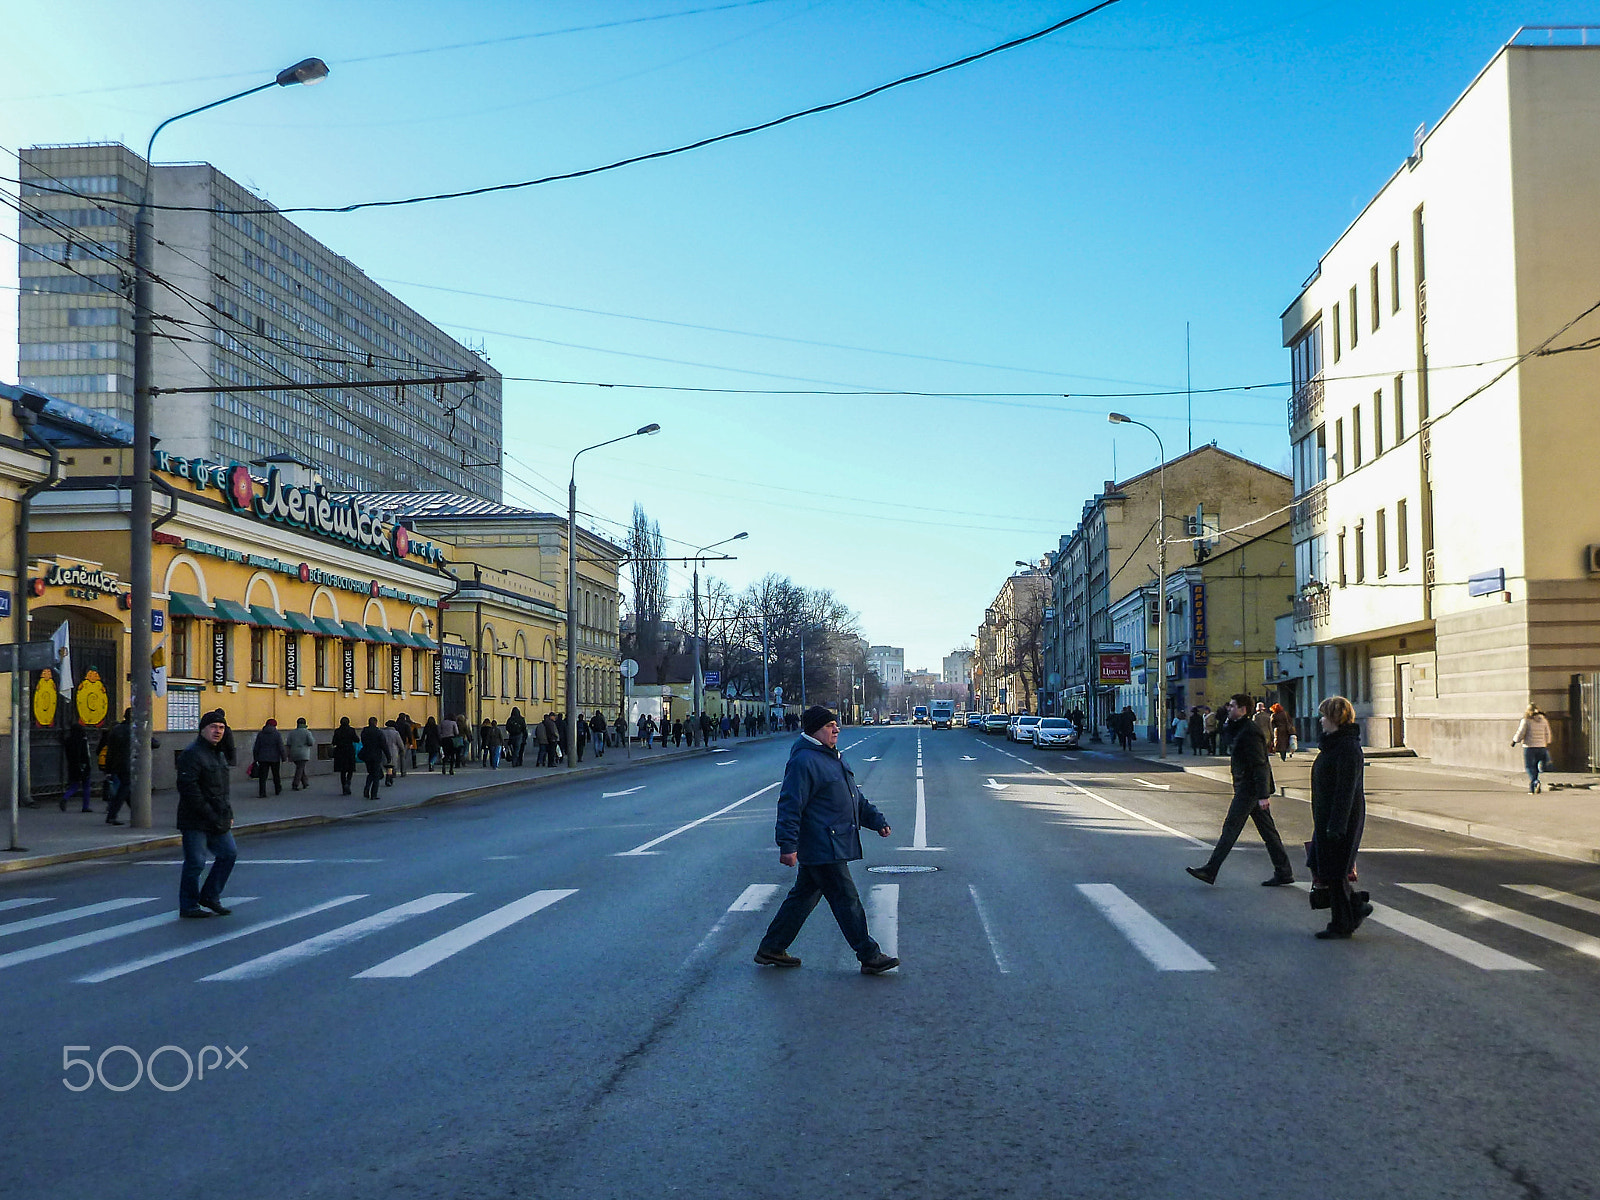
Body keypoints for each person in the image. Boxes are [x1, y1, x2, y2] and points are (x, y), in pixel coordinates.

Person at [754, 706, 899, 976]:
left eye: (836, 725)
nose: (836, 730)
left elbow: (854, 797)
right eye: (830, 725)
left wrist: (876, 820)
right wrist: (788, 845)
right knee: (847, 900)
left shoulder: (830, 757)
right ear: (814, 730)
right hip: (822, 844)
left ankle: (772, 947)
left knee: (803, 897)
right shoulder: (805, 761)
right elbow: (790, 804)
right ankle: (869, 955)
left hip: (828, 842)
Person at [1186, 693, 1295, 887]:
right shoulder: (1239, 727)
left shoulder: (1250, 732)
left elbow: (1260, 764)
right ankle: (1284, 871)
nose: (1229, 708)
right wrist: (1228, 720)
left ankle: (1211, 870)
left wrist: (1263, 795)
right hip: (1247, 786)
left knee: (1230, 828)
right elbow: (1228, 738)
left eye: (1233, 706)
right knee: (1268, 832)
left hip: (1250, 788)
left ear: (1243, 709)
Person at [1309, 695, 1370, 939]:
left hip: (1340, 820)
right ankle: (1354, 909)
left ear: (1335, 718)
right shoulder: (1334, 743)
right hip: (1328, 818)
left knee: (1335, 873)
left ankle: (1342, 922)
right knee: (1328, 869)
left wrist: (1336, 826)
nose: (1321, 721)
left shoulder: (1347, 748)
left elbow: (1346, 790)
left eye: (1324, 716)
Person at [175, 710, 237, 918]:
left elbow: (222, 789)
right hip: (195, 819)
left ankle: (210, 896)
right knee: (196, 862)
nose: (217, 731)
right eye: (213, 727)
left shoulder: (217, 753)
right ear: (202, 730)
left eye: (221, 728)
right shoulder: (192, 754)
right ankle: (189, 905)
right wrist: (210, 814)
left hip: (217, 817)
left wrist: (227, 813)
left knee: (229, 853)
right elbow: (189, 789)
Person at [1512, 704, 1554, 794]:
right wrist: (1546, 742)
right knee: (1535, 766)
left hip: (1529, 747)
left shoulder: (1526, 720)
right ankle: (1533, 786)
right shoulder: (1544, 720)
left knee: (1529, 767)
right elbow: (1548, 733)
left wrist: (1515, 741)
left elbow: (1521, 732)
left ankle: (1535, 782)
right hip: (1542, 747)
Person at [61, 721, 93, 813]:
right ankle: (85, 806)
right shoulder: (83, 740)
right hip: (83, 765)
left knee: (74, 785)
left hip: (72, 765)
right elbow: (86, 754)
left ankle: (65, 797)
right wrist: (87, 765)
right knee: (86, 786)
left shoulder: (68, 741)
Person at [252, 719, 285, 797]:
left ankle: (262, 792)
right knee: (276, 774)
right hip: (275, 758)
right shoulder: (277, 734)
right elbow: (281, 747)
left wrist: (256, 758)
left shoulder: (261, 734)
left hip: (262, 758)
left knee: (263, 777)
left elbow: (256, 747)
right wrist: (283, 757)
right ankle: (277, 789)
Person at [359, 717, 388, 800]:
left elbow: (363, 742)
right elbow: (383, 745)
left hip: (367, 755)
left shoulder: (364, 732)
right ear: (376, 723)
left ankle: (367, 788)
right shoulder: (378, 732)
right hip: (376, 756)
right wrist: (388, 756)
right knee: (376, 775)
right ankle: (373, 794)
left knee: (370, 773)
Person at [285, 717, 316, 791]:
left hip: (294, 752)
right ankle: (295, 784)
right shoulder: (307, 732)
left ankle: (305, 783)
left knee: (300, 768)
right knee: (300, 768)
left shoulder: (292, 733)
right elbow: (311, 742)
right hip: (303, 753)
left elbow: (288, 743)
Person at [331, 717, 359, 795]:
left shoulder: (337, 731)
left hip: (340, 752)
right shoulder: (351, 730)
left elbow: (334, 742)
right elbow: (357, 739)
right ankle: (348, 782)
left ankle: (344, 786)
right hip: (349, 751)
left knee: (342, 771)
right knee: (350, 769)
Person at [382, 720, 405, 785]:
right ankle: (389, 779)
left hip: (384, 751)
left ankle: (389, 778)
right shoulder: (396, 733)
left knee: (387, 765)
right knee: (391, 765)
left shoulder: (382, 732)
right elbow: (400, 743)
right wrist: (402, 749)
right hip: (393, 751)